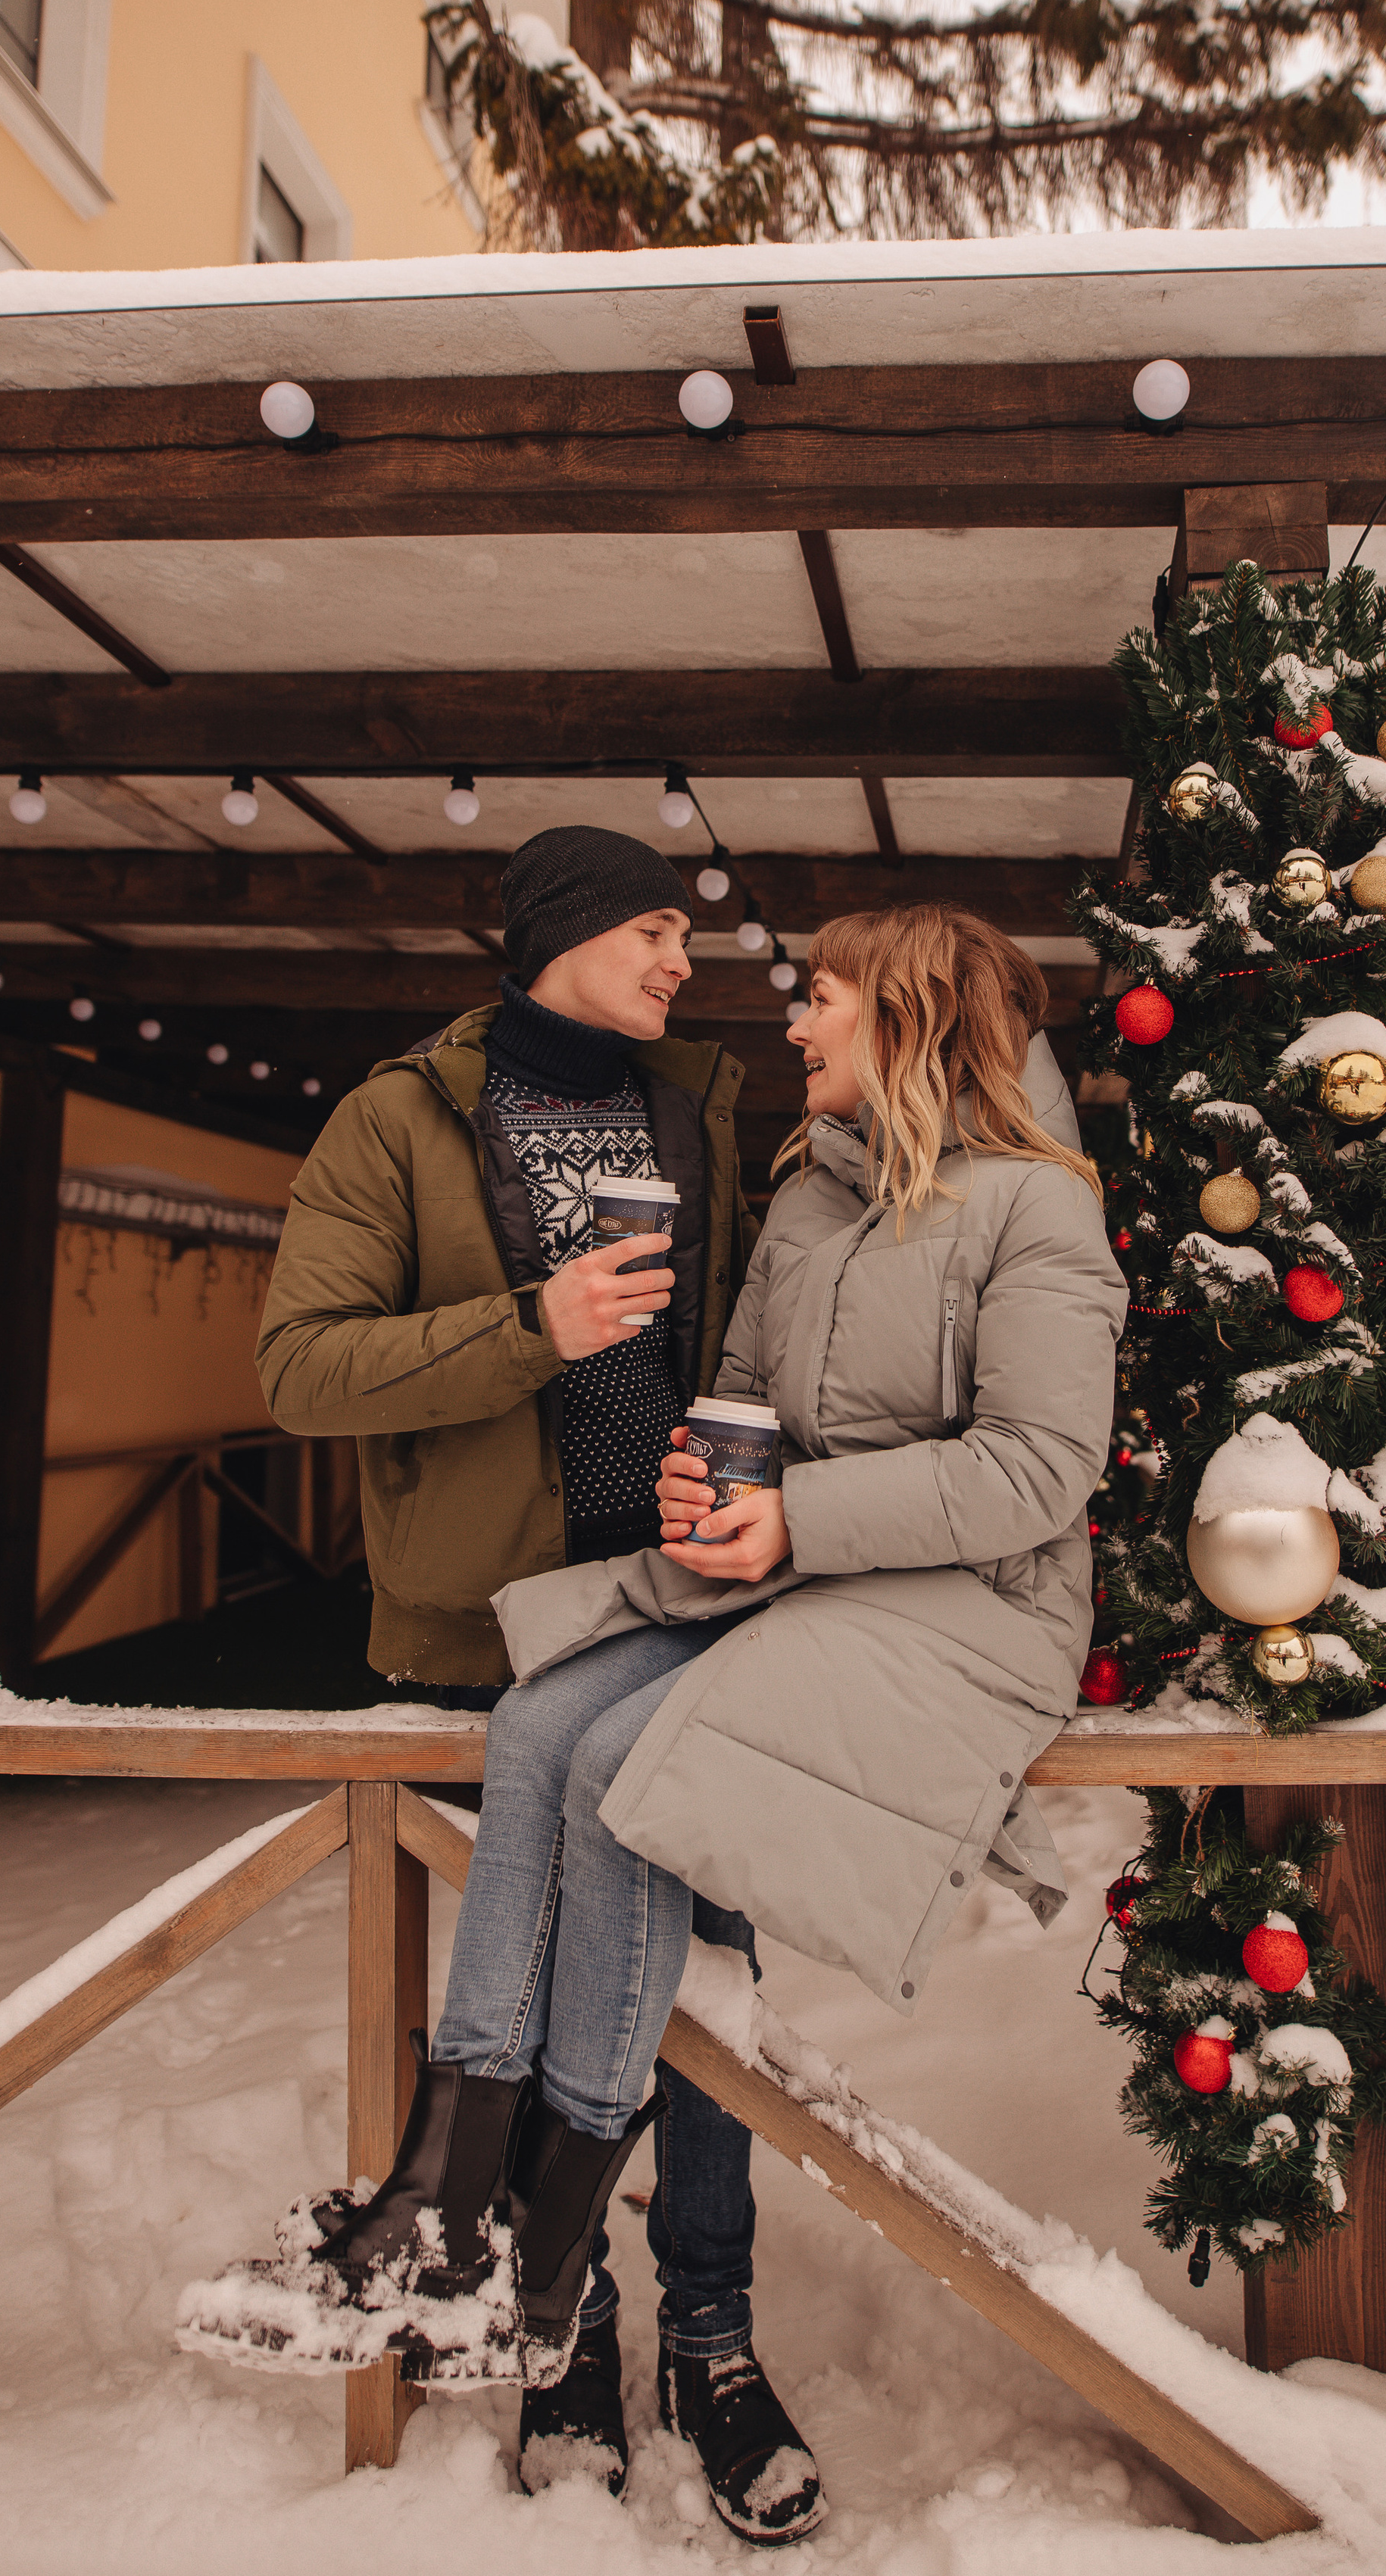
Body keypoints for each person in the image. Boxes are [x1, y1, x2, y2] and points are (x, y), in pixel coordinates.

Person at [275, 902, 1128, 2544]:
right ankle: (451, 2211)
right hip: (802, 1569)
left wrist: (797, 1519)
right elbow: (739, 1400)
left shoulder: (1035, 1210)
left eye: (815, 995)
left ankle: (565, 2252)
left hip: (966, 1604)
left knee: (618, 1770)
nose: (785, 1018)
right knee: (539, 1732)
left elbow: (1039, 1475)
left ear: (905, 1014)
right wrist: (704, 1475)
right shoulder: (809, 1194)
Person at [247, 825, 815, 2519]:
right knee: (535, 1969)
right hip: (483, 1636)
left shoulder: (702, 1108)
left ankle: (707, 2329)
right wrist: (527, 1329)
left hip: (684, 1617)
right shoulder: (397, 1118)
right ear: (559, 933)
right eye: (652, 930)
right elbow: (298, 1369)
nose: (679, 966)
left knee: (705, 1984)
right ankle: (550, 2324)